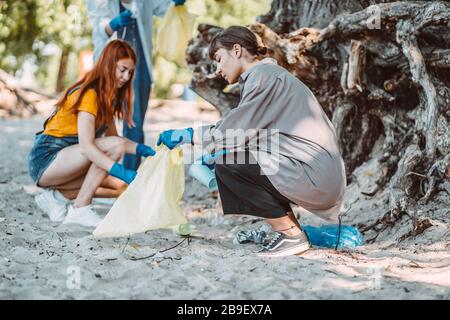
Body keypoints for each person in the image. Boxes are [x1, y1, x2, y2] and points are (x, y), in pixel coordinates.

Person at [157, 26, 347, 258]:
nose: (217, 70)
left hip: (313, 176)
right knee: (230, 158)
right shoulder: (267, 77)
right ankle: (291, 232)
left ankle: (290, 236)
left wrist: (189, 135)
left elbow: (235, 130)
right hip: (313, 174)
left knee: (228, 163)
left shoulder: (264, 77)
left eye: (218, 59)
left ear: (236, 50)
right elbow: (250, 136)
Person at [28, 40, 156, 227]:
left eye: (130, 72)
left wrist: (147, 150)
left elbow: (116, 140)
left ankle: (55, 198)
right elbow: (89, 147)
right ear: (109, 64)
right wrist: (121, 171)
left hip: (66, 161)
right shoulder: (90, 94)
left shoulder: (107, 98)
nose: (126, 77)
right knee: (109, 159)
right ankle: (80, 209)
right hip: (46, 160)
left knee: (115, 181)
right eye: (122, 69)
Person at [86, 0, 185, 171]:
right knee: (99, 122)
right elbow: (99, 26)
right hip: (109, 67)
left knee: (134, 123)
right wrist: (112, 24)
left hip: (138, 70)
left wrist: (175, 2)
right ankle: (92, 175)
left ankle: (129, 180)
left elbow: (165, 9)